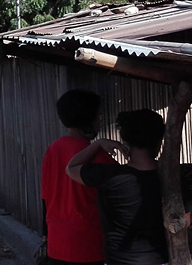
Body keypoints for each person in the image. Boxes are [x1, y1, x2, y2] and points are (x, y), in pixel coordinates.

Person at [66, 109, 181, 265]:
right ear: (159, 141)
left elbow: (71, 167)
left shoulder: (110, 176)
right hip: (160, 260)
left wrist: (99, 144)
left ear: (125, 141)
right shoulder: (175, 177)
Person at [40, 89, 112, 265]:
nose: (101, 121)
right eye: (99, 116)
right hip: (87, 243)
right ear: (89, 119)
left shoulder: (53, 149)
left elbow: (44, 196)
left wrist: (46, 234)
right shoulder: (98, 156)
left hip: (57, 240)